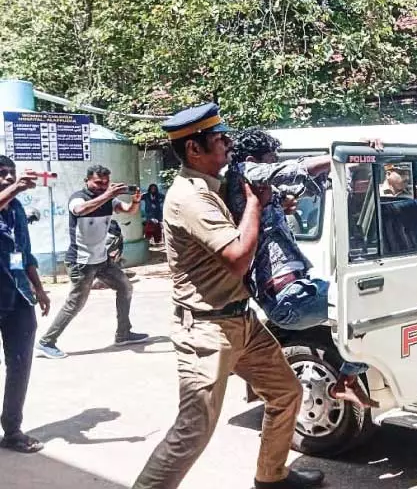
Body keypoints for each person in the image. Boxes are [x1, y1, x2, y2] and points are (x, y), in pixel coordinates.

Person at [133, 104, 324, 489]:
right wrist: (255, 203)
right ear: (194, 149)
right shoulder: (190, 198)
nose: (228, 145)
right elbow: (237, 258)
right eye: (220, 140)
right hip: (206, 331)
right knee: (193, 430)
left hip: (240, 320)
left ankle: (272, 477)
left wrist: (270, 205)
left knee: (286, 392)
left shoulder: (213, 185)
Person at [225, 128, 378, 408]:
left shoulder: (261, 191)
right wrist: (339, 155)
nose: (274, 164)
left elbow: (306, 183)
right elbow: (292, 170)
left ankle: (348, 378)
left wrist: (353, 163)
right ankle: (347, 380)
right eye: (271, 160)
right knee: (363, 303)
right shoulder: (243, 174)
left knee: (368, 302)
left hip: (298, 289)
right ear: (252, 160)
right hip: (285, 297)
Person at [35, 165, 148, 359]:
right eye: (98, 182)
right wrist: (108, 194)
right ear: (86, 181)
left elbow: (128, 210)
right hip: (81, 262)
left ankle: (123, 334)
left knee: (125, 287)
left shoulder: (109, 199)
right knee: (75, 304)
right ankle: (46, 342)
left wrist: (135, 201)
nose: (102, 186)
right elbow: (80, 210)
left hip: (102, 259)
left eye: (105, 183)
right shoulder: (78, 198)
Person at [0, 155, 49, 453]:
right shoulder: (12, 195)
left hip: (18, 296)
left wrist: (39, 289)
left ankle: (12, 429)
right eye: (1, 173)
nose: (7, 177)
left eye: (11, 173)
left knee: (19, 366)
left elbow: (24, 252)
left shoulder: (16, 208)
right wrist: (16, 187)